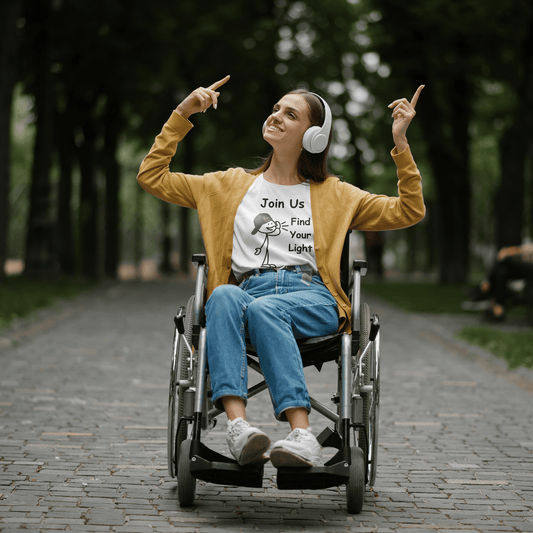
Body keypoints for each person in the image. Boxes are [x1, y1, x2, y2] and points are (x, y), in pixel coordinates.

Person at [137, 75, 425, 468]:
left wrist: (401, 143)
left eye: (290, 114)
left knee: (264, 310)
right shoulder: (226, 186)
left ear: (314, 137)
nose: (276, 116)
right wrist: (183, 114)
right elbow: (151, 176)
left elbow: (409, 210)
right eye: (275, 109)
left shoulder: (337, 194)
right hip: (249, 294)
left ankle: (302, 434)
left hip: (314, 298)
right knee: (222, 295)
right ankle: (239, 430)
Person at [464, 244, 533, 322]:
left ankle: (484, 290)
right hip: (526, 274)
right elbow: (525, 249)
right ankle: (497, 306)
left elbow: (526, 250)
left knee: (505, 260)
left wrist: (508, 252)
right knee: (501, 272)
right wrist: (510, 251)